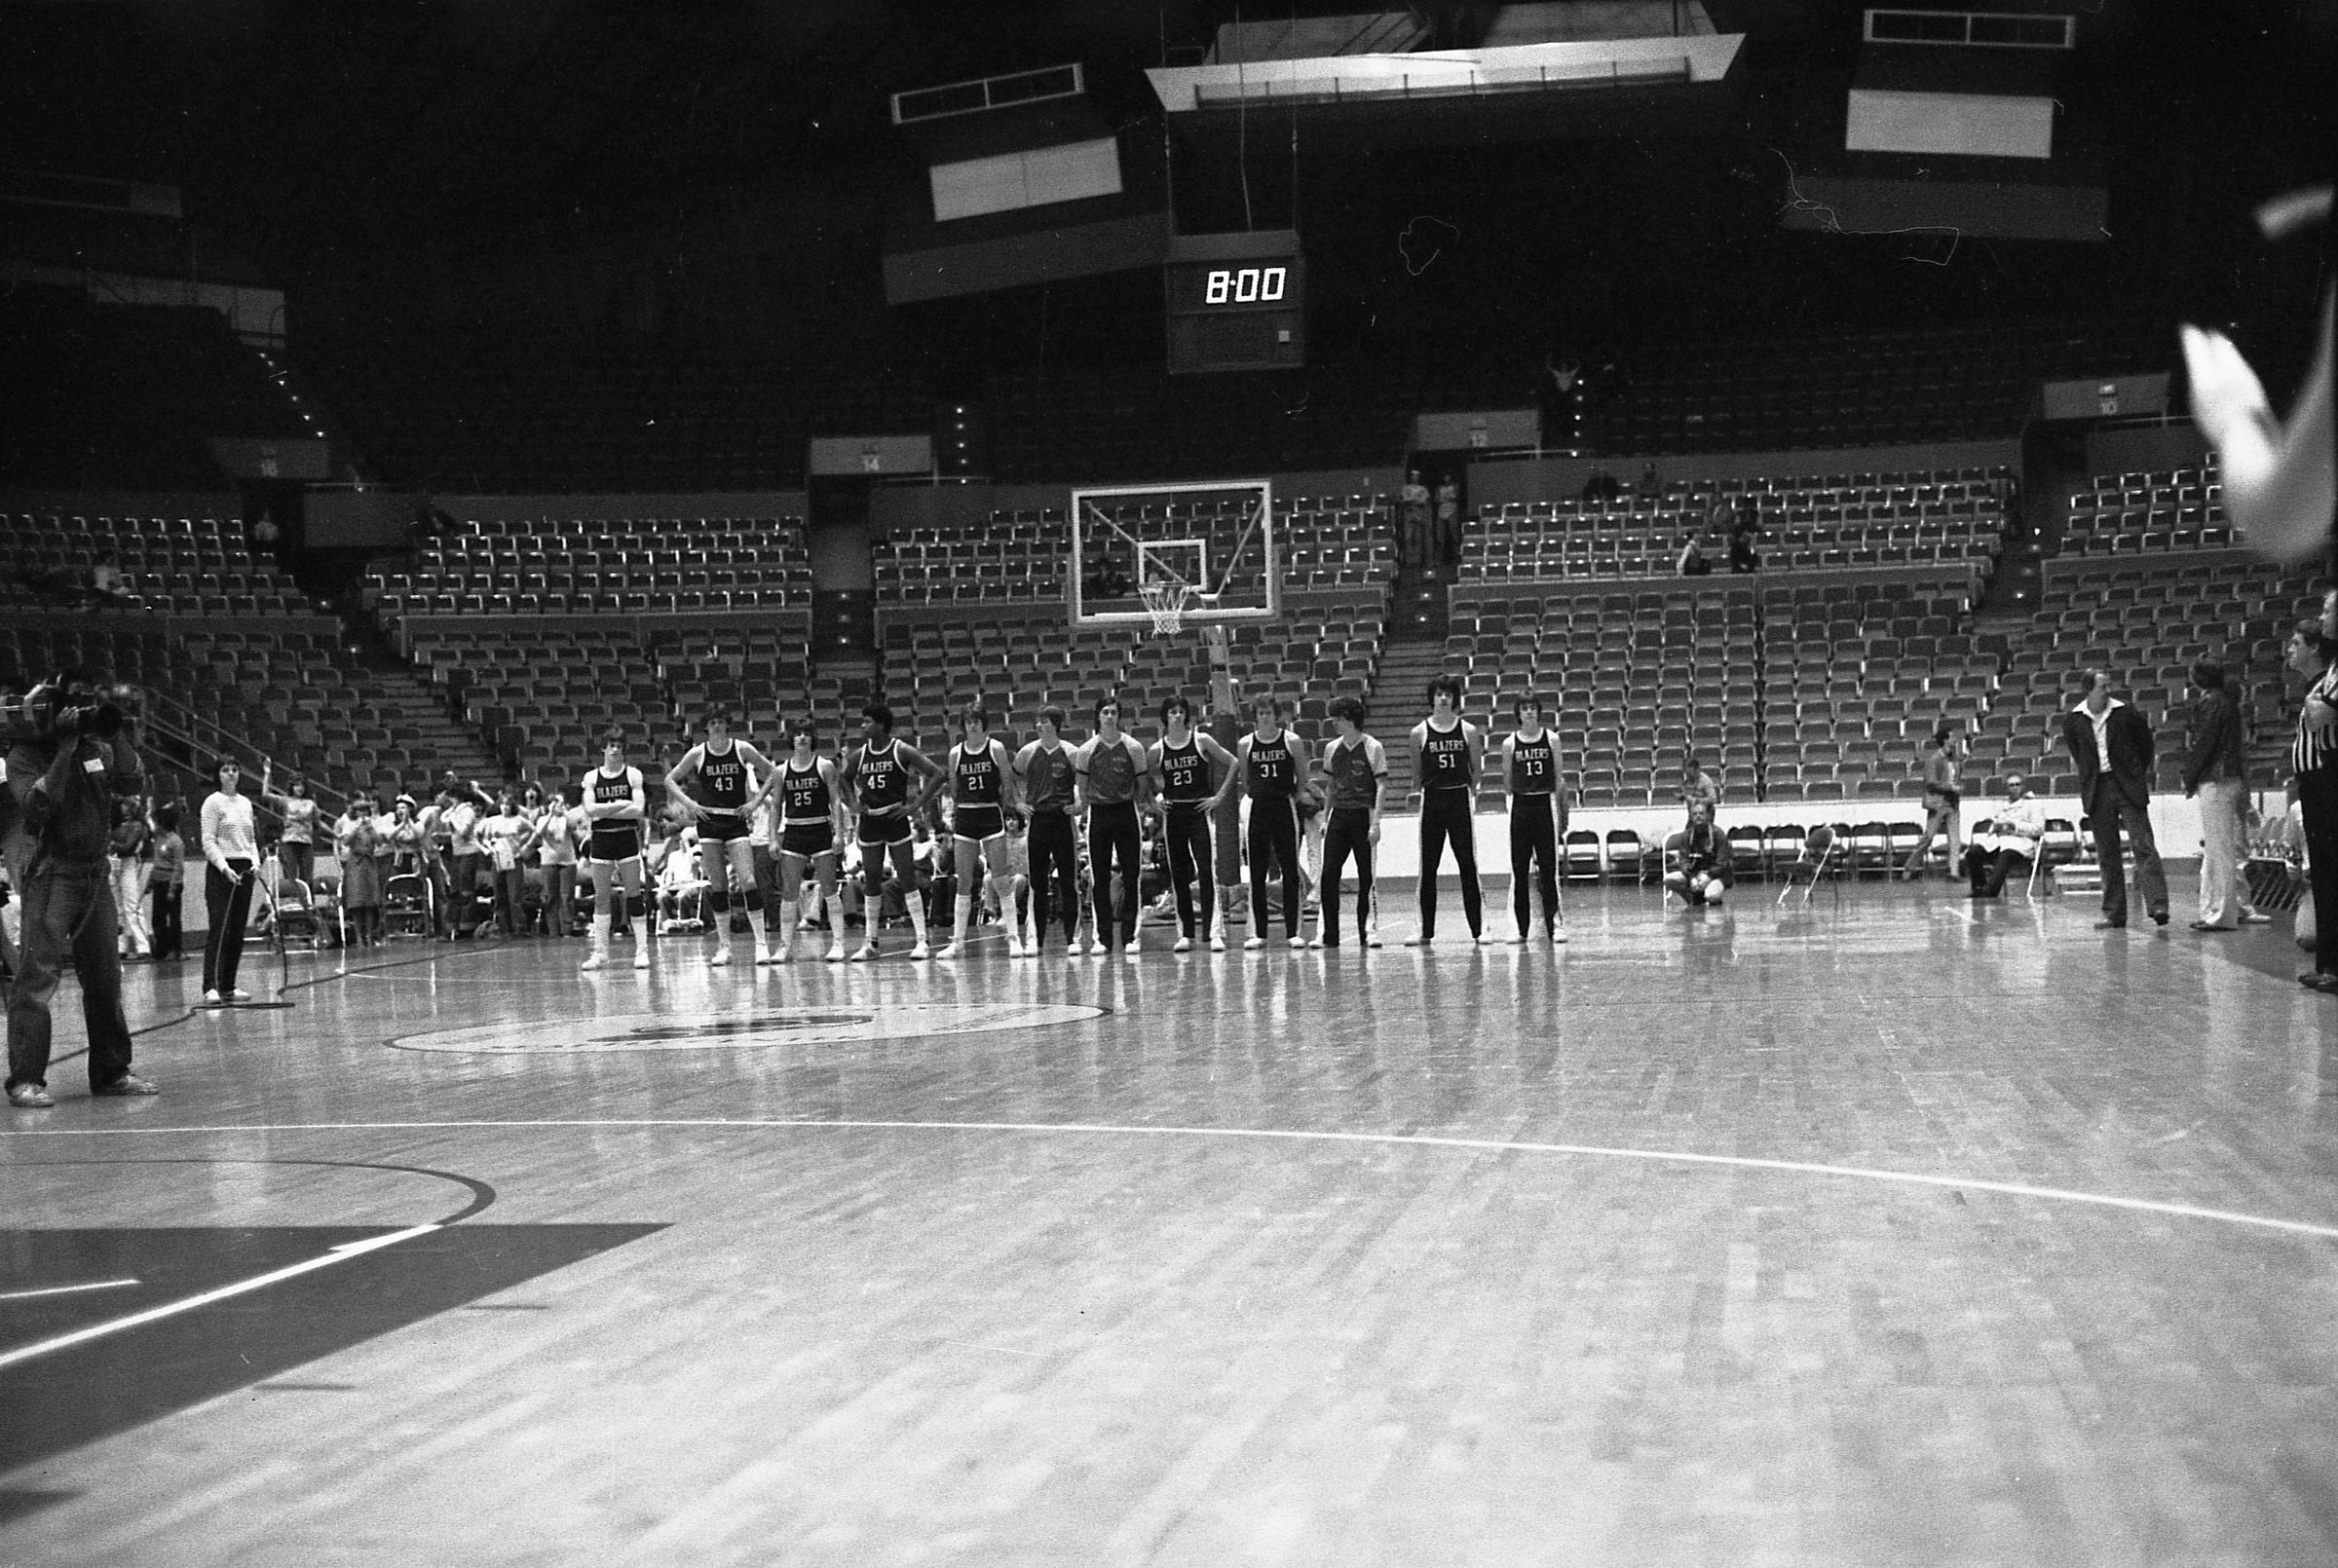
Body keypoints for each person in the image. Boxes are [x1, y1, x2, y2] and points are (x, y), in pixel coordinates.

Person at [6, 686, 155, 1108]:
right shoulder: (23, 756)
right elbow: (38, 807)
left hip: (94, 875)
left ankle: (112, 1072)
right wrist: (65, 750)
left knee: (106, 977)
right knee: (37, 979)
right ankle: (25, 1079)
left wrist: (115, 733)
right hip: (52, 875)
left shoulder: (98, 749)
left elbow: (132, 780)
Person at [664, 709, 776, 966]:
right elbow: (670, 780)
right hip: (709, 822)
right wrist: (690, 804)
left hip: (735, 820)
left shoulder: (742, 748)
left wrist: (755, 802)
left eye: (720, 722)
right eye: (712, 722)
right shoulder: (698, 753)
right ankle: (724, 946)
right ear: (706, 727)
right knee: (718, 885)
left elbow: (772, 772)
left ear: (727, 725)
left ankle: (761, 944)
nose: (716, 726)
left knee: (748, 880)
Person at [2062, 668, 2169, 929]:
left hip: (2127, 785)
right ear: (2088, 690)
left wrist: (2133, 773)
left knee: (2143, 845)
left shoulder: (2126, 713)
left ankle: (2158, 905)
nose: (2109, 691)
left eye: (2109, 685)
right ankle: (2114, 913)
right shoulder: (2074, 720)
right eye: (2103, 687)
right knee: (2107, 853)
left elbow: (2145, 746)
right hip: (2097, 788)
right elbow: (2079, 754)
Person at [841, 703, 944, 961]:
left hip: (895, 817)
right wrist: (852, 803)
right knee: (872, 879)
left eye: (867, 721)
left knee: (907, 877)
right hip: (870, 820)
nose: (863, 726)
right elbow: (844, 779)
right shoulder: (859, 755)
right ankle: (870, 942)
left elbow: (937, 774)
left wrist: (914, 806)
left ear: (881, 725)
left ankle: (922, 940)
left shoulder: (901, 750)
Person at [745, 721, 849, 963]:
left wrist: (839, 833)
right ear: (791, 740)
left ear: (813, 739)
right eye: (798, 734)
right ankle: (784, 946)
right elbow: (775, 807)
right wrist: (773, 838)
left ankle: (838, 943)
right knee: (789, 891)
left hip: (820, 828)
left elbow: (835, 801)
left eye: (806, 734)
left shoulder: (824, 766)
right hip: (794, 831)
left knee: (829, 887)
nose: (802, 737)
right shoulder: (781, 771)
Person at [933, 705, 1023, 959]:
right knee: (963, 881)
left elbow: (1006, 783)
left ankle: (1014, 938)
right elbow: (954, 789)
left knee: (1000, 878)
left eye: (976, 720)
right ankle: (958, 942)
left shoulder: (995, 748)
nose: (972, 725)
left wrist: (1001, 807)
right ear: (963, 725)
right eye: (968, 721)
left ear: (984, 723)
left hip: (990, 813)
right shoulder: (955, 753)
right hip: (966, 815)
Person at [1150, 692, 1236, 953]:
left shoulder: (1201, 740)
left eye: (1181, 711)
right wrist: (1154, 801)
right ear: (1165, 716)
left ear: (1186, 715)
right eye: (1172, 711)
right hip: (1174, 814)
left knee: (1207, 872)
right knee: (1179, 875)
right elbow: (1142, 777)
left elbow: (1232, 762)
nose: (1177, 716)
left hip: (1199, 811)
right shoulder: (1158, 749)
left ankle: (1214, 932)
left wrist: (1219, 797)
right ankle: (1185, 933)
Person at [1226, 691, 1310, 950]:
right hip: (1258, 808)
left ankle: (1293, 931)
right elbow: (1245, 779)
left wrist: (1293, 795)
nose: (1264, 717)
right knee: (1257, 871)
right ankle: (1258, 932)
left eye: (1268, 713)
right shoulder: (1246, 744)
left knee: (1289, 869)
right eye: (1260, 713)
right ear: (1255, 716)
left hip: (1284, 805)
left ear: (1276, 715)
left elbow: (1303, 776)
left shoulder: (1291, 741)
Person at [1075, 694, 1153, 960]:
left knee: (1132, 875)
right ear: (1098, 716)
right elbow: (1082, 788)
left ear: (1119, 717)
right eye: (1105, 712)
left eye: (1113, 712)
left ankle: (1131, 937)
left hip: (1126, 811)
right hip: (1099, 813)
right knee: (1100, 878)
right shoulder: (1087, 750)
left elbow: (1142, 783)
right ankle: (1102, 938)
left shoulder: (1133, 747)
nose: (1109, 716)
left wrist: (1138, 805)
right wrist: (1088, 807)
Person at [2285, 602, 2338, 991]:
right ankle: (2328, 963)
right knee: (2323, 870)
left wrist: (2315, 702)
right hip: (2315, 781)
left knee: (2330, 869)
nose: (2323, 617)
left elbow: (2322, 716)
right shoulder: (2323, 679)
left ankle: (2332, 963)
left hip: (2326, 779)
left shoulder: (2327, 680)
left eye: (2296, 643)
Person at [1409, 675, 1485, 946]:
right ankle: (1424, 930)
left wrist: (1466, 791)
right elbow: (1417, 775)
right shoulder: (1419, 733)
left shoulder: (1468, 731)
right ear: (1432, 698)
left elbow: (1476, 771)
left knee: (1467, 864)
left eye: (1448, 694)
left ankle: (1479, 929)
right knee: (1428, 867)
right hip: (1432, 800)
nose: (1443, 698)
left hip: (1459, 798)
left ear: (1455, 699)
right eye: (1439, 694)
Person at [1311, 694, 1387, 950]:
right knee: (1329, 875)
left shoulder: (1373, 747)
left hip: (1363, 815)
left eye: (1338, 718)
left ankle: (1369, 931)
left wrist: (1376, 823)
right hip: (1339, 816)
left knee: (1367, 876)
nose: (1334, 722)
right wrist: (1325, 817)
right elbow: (1331, 785)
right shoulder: (1332, 749)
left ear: (1350, 719)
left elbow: (1381, 786)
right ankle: (1328, 934)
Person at [2183, 661, 2253, 931]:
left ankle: (2222, 913)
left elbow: (2205, 743)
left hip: (2216, 779)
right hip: (2225, 777)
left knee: (2219, 850)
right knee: (2218, 849)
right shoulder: (2225, 701)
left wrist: (2190, 776)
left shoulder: (2211, 702)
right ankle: (2217, 909)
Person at [579, 729, 651, 972]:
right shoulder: (591, 777)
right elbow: (590, 810)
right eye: (611, 745)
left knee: (634, 895)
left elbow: (638, 810)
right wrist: (620, 804)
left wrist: (605, 810)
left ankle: (642, 951)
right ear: (603, 748)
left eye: (619, 745)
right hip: (601, 840)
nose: (615, 750)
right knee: (601, 897)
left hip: (626, 838)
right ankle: (600, 953)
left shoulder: (633, 774)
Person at [1014, 705, 1082, 958]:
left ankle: (1073, 938)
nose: (1039, 725)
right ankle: (1035, 939)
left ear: (1055, 724)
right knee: (1037, 883)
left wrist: (1081, 804)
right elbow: (1010, 778)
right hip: (1038, 820)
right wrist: (1018, 803)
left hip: (1063, 819)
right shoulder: (1027, 752)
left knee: (1068, 882)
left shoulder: (1071, 752)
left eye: (1044, 721)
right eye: (1038, 721)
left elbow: (1084, 780)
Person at [1502, 693, 1566, 943]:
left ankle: (1555, 926)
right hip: (1520, 805)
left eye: (1532, 708)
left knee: (1549, 869)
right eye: (1524, 708)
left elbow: (1558, 777)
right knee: (1519, 870)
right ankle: (1519, 929)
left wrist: (1557, 809)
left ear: (1538, 711)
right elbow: (1507, 782)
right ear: (1518, 713)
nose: (1528, 712)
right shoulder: (1510, 743)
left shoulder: (1551, 739)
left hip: (1544, 804)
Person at [1963, 772, 2047, 898]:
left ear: (2023, 786)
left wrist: (2015, 826)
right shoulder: (2001, 805)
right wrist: (1996, 827)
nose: (2015, 788)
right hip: (1999, 841)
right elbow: (1993, 827)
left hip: (2021, 844)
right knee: (1973, 852)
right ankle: (1979, 888)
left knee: (2005, 856)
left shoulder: (2033, 805)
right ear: (2006, 788)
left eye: (2017, 784)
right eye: (2011, 785)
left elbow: (2039, 829)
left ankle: (1990, 893)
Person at [1899, 728, 1967, 879]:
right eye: (1952, 737)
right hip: (1938, 804)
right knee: (1928, 837)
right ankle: (1909, 868)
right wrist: (1950, 787)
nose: (1955, 739)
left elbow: (1957, 777)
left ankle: (1953, 871)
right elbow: (1930, 782)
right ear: (1945, 740)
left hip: (1953, 803)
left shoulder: (1956, 760)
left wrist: (1957, 787)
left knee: (1955, 839)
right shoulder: (1934, 759)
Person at [110, 797, 152, 959]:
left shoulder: (136, 825)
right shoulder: (116, 824)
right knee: (117, 908)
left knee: (132, 905)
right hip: (113, 863)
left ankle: (143, 945)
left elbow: (128, 847)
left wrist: (112, 844)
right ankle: (121, 946)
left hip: (127, 863)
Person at [1663, 807, 1731, 907]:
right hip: (1694, 874)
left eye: (1701, 813)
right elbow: (1683, 862)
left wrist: (1708, 877)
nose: (1698, 816)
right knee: (1669, 880)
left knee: (1711, 896)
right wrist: (1692, 878)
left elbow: (1722, 863)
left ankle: (1713, 899)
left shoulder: (1718, 834)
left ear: (1708, 816)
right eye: (1695, 814)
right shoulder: (1686, 836)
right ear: (1691, 817)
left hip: (1716, 876)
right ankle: (1694, 900)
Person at [148, 801, 185, 962]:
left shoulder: (176, 842)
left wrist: (172, 888)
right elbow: (156, 862)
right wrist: (150, 882)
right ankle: (161, 949)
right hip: (158, 880)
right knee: (158, 918)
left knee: (174, 918)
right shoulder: (158, 838)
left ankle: (176, 949)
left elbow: (178, 867)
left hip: (171, 882)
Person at [278, 777, 321, 889]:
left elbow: (318, 822)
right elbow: (266, 795)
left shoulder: (311, 803)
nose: (299, 788)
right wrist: (267, 775)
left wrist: (334, 834)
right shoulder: (286, 800)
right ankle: (292, 898)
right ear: (292, 787)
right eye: (296, 785)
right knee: (290, 875)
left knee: (307, 876)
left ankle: (307, 898)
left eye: (302, 785)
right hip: (289, 841)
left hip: (306, 841)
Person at [1400, 469, 1431, 568]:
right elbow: (1405, 500)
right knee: (1408, 538)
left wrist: (1412, 500)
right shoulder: (1406, 488)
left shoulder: (1423, 489)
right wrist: (1416, 499)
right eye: (1413, 475)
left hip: (1419, 514)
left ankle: (1417, 560)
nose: (1414, 477)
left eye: (1416, 476)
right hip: (1408, 514)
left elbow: (1424, 501)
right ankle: (1409, 560)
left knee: (1418, 538)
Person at [1434, 475, 1461, 566]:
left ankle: (1456, 558)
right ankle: (1439, 559)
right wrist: (1445, 499)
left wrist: (1446, 499)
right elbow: (1436, 499)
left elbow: (1456, 497)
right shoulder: (1439, 488)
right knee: (1439, 538)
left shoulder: (1455, 486)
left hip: (1452, 512)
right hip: (1441, 513)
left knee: (1454, 536)